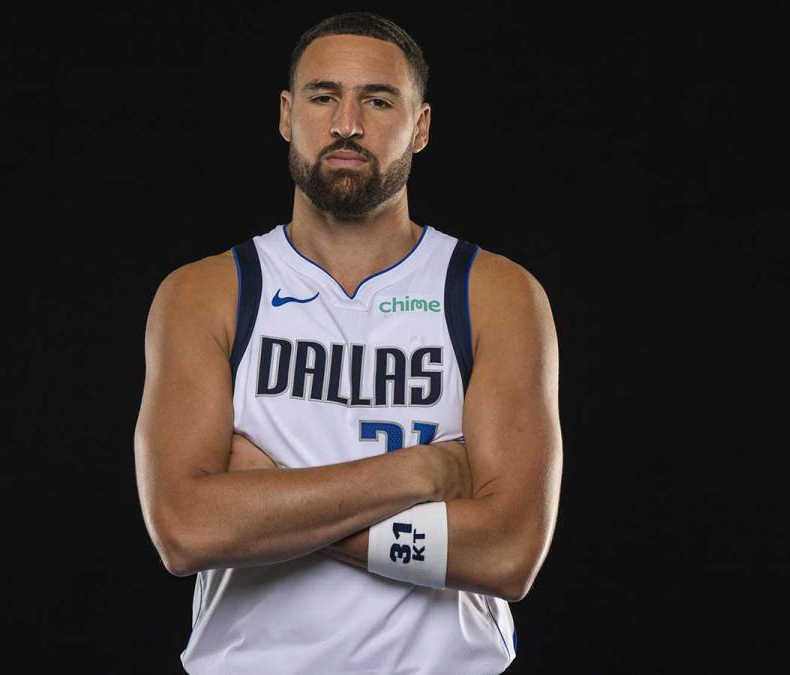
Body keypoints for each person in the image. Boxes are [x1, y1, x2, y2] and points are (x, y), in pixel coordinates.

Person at [134, 12, 562, 674]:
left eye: (379, 99)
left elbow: (508, 552)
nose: (347, 123)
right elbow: (187, 531)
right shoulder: (206, 293)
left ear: (420, 126)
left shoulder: (493, 293)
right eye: (324, 95)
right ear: (286, 113)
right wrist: (416, 472)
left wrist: (265, 504)